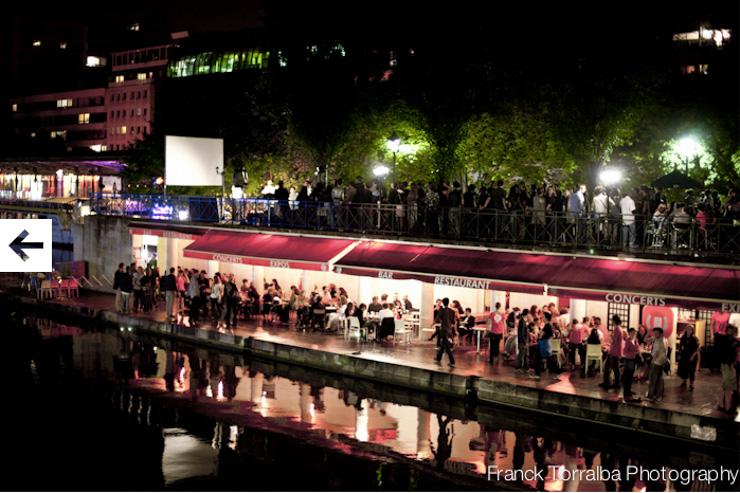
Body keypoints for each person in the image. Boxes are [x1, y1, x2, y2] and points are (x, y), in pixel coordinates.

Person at [716, 324, 738, 415]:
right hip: (725, 364)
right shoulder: (724, 339)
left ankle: (722, 405)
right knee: (726, 386)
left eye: (732, 330)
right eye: (729, 330)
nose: (731, 332)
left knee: (728, 386)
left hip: (730, 365)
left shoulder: (733, 340)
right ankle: (726, 406)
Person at [600, 315, 624, 390]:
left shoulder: (617, 329)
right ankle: (611, 382)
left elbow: (614, 340)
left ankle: (612, 383)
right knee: (611, 368)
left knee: (612, 368)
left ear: (614, 320)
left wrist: (611, 335)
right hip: (615, 351)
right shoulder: (619, 329)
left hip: (614, 351)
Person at [434, 298, 457, 367]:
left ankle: (452, 361)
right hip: (449, 330)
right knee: (443, 344)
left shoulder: (442, 311)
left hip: (444, 330)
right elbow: (453, 321)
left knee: (447, 346)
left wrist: (432, 324)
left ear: (443, 303)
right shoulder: (452, 311)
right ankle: (438, 357)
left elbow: (437, 319)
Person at [646, 327, 666, 402]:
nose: (655, 334)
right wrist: (648, 333)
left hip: (657, 362)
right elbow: (645, 340)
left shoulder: (659, 341)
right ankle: (658, 395)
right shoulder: (659, 339)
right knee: (659, 379)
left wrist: (652, 361)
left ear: (660, 333)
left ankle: (651, 395)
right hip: (661, 362)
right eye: (654, 332)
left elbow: (657, 352)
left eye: (657, 333)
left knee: (653, 379)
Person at [677, 326, 700, 390]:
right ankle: (684, 381)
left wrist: (693, 356)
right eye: (687, 329)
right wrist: (680, 354)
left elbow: (697, 349)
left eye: (690, 329)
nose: (688, 330)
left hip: (692, 356)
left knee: (691, 370)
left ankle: (691, 384)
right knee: (684, 369)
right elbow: (680, 346)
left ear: (692, 330)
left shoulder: (695, 338)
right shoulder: (683, 337)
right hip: (684, 355)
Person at [622, 327, 640, 401]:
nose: (634, 334)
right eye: (632, 332)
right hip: (628, 360)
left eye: (634, 333)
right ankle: (626, 391)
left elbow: (638, 348)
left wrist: (637, 352)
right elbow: (625, 351)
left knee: (630, 376)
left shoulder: (635, 340)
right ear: (629, 333)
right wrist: (634, 353)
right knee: (627, 376)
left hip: (633, 360)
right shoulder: (628, 341)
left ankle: (628, 390)